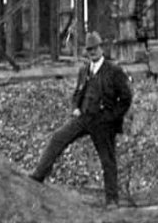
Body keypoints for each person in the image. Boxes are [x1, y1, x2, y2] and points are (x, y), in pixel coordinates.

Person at [30, 31, 133, 205]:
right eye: (89, 49)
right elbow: (77, 93)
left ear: (101, 48)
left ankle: (112, 200)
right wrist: (75, 108)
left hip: (102, 121)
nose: (92, 52)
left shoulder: (114, 71)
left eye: (95, 48)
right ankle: (39, 174)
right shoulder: (84, 70)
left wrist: (111, 117)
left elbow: (126, 98)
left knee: (107, 160)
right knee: (58, 137)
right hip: (84, 117)